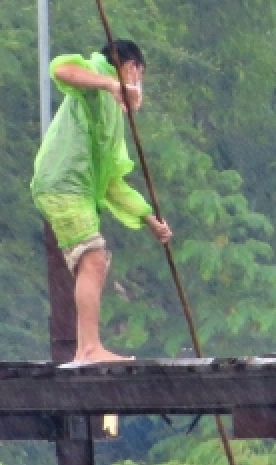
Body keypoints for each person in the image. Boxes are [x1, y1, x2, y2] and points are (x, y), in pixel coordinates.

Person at [30, 40, 172, 364]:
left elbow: (111, 182)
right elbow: (61, 69)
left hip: (78, 189)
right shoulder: (97, 75)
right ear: (131, 68)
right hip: (63, 183)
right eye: (139, 77)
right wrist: (112, 84)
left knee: (95, 261)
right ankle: (89, 349)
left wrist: (149, 219)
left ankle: (86, 348)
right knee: (92, 258)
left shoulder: (112, 116)